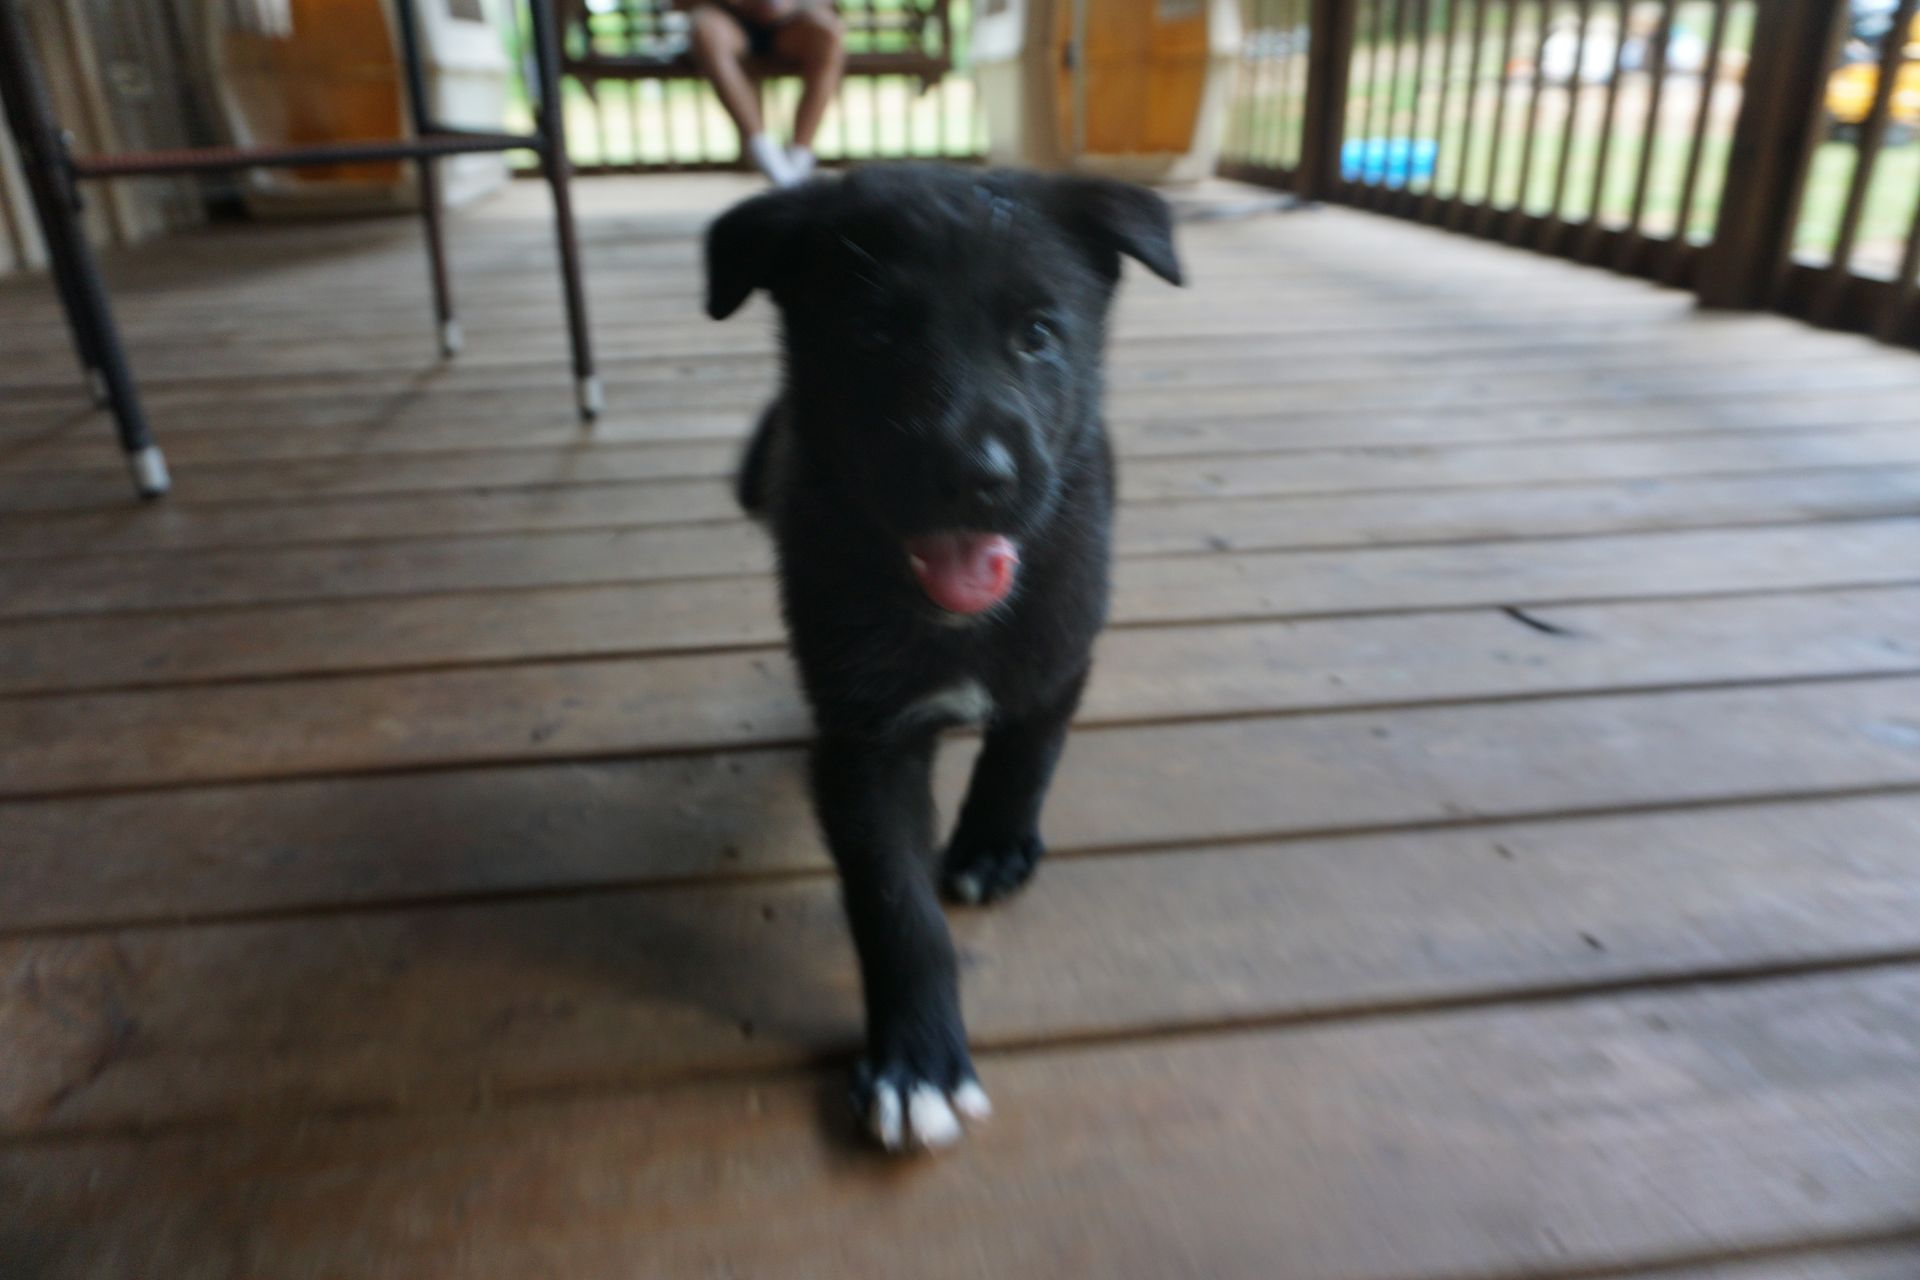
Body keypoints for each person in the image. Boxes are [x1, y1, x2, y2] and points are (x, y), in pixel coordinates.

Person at [687, 0, 845, 186]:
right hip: (728, 22)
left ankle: (799, 159)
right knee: (706, 30)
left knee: (828, 30)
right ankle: (764, 153)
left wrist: (788, 5)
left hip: (793, 23)